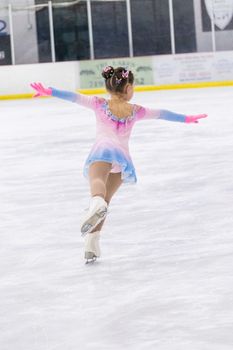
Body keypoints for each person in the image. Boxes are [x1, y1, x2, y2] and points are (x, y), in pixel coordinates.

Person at [31, 66, 207, 263]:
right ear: (128, 87)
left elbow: (74, 97)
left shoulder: (98, 104)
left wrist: (50, 91)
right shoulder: (136, 111)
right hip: (122, 160)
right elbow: (162, 114)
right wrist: (186, 119)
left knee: (97, 182)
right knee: (106, 202)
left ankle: (95, 205)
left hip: (103, 150)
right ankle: (92, 245)